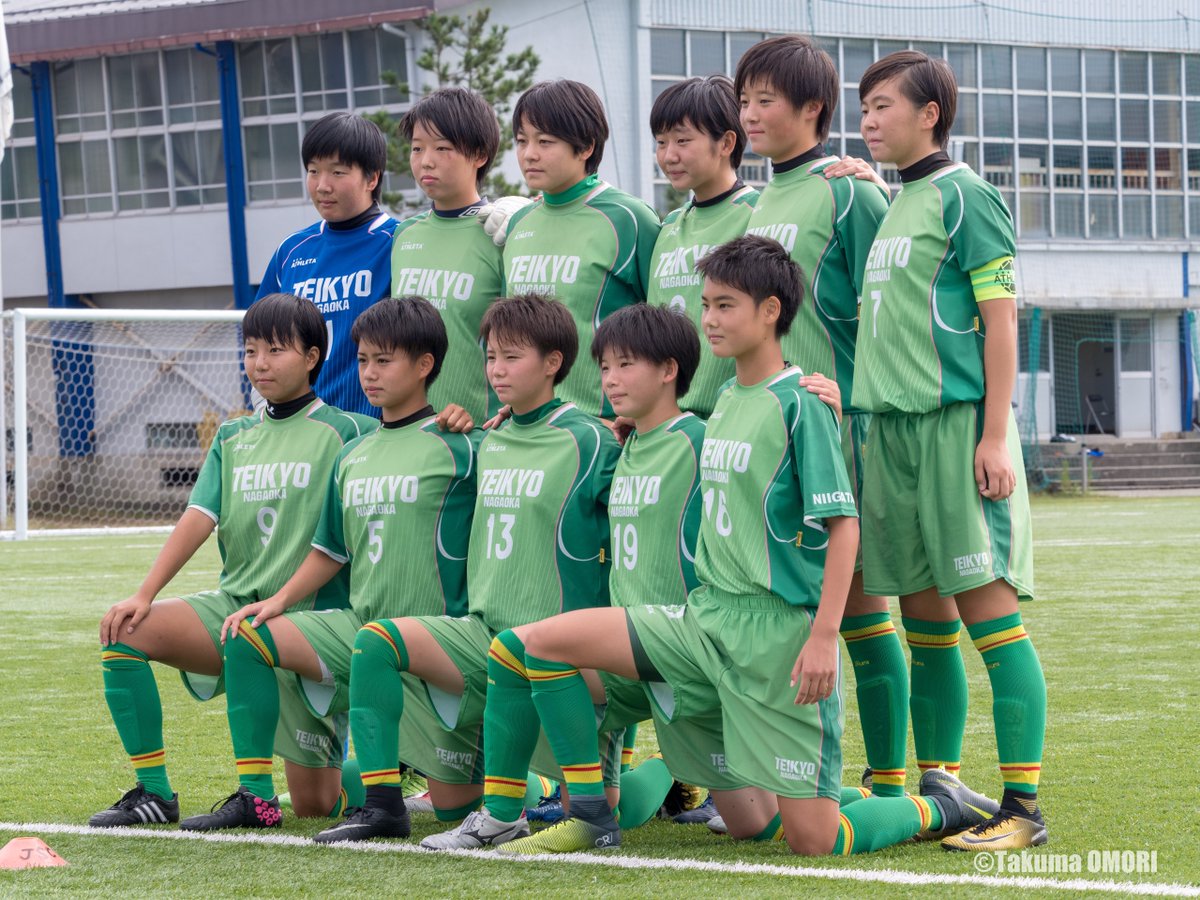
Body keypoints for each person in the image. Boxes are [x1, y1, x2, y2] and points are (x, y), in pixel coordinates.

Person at [477, 235, 1002, 856]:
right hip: (704, 621)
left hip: (773, 633)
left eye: (725, 305)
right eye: (706, 304)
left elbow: (843, 527)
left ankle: (937, 806)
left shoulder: (799, 404)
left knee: (811, 839)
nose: (710, 319)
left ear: (771, 311)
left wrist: (823, 636)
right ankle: (590, 814)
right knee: (535, 645)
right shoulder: (724, 399)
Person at [319, 295, 623, 846]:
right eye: (490, 358)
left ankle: (627, 788)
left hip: (567, 650)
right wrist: (451, 421)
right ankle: (384, 805)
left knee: (607, 810)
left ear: (553, 363)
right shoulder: (487, 438)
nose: (496, 371)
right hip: (485, 639)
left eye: (511, 358)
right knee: (377, 642)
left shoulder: (590, 439)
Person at [179, 297, 479, 834]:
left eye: (383, 361)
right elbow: (330, 551)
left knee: (458, 806)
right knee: (248, 634)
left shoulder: (463, 445)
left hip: (438, 635)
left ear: (425, 365)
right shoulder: (353, 456)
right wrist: (278, 602)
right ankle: (263, 799)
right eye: (363, 360)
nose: (368, 373)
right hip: (359, 628)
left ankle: (534, 787)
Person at [855, 50, 1046, 850]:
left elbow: (1002, 318)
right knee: (922, 619)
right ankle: (945, 785)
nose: (867, 121)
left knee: (989, 620)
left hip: (954, 427)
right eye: (861, 108)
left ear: (930, 113)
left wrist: (996, 434)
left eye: (882, 107)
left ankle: (1023, 810)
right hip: (888, 435)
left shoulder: (967, 195)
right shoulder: (895, 201)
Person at [91, 293, 376, 828]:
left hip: (306, 625)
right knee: (124, 631)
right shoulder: (233, 436)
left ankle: (394, 768)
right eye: (250, 351)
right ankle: (160, 794)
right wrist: (143, 595)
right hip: (233, 612)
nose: (260, 363)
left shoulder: (352, 433)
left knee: (317, 803)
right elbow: (199, 517)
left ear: (313, 356)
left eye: (275, 350)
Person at [736, 35, 909, 798]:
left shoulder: (851, 191)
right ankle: (780, 776)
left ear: (813, 109)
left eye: (764, 100)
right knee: (784, 612)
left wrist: (859, 395)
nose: (749, 115)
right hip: (764, 441)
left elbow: (901, 304)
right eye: (743, 101)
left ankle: (895, 775)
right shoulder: (757, 199)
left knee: (862, 611)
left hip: (835, 436)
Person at [257, 112, 525, 417]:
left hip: (378, 425)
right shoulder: (290, 251)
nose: (322, 185)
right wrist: (263, 408)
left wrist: (518, 209)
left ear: (372, 178)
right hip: (302, 427)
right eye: (313, 171)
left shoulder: (394, 240)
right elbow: (259, 337)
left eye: (338, 172)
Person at [501, 80, 661, 419]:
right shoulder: (518, 224)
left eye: (545, 141)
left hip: (604, 426)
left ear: (586, 146)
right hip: (528, 426)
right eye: (521, 141)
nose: (529, 154)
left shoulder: (630, 219)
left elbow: (663, 331)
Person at [392, 88, 506, 425]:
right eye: (416, 148)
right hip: (410, 430)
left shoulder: (500, 233)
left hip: (480, 432)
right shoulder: (404, 235)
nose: (426, 161)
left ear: (479, 155)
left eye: (442, 148)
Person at [646, 75, 757, 418]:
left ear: (725, 143)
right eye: (661, 142)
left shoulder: (757, 217)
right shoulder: (667, 228)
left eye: (682, 140)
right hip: (667, 424)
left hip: (730, 418)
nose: (668, 156)